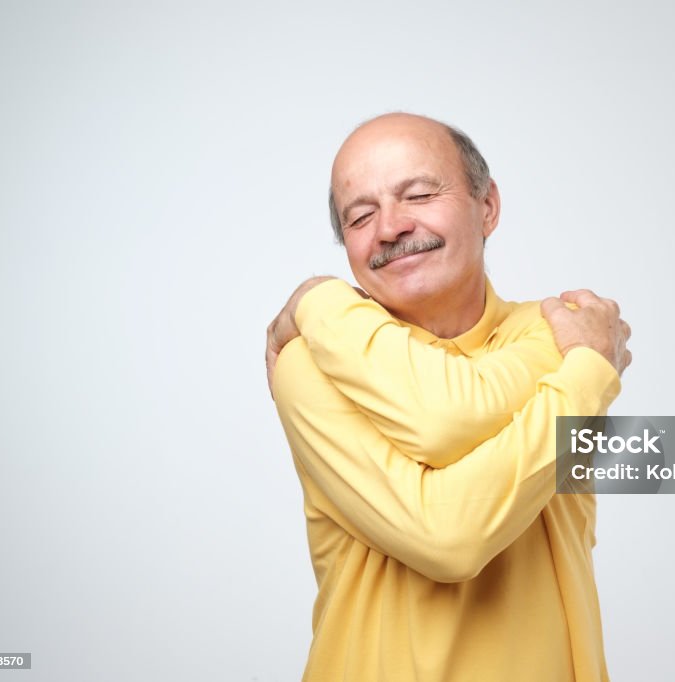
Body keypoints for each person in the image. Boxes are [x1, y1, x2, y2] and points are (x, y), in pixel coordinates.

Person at [265, 112, 632, 681]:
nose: (389, 227)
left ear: (486, 207)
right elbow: (449, 538)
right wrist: (584, 376)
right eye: (360, 216)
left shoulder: (558, 328)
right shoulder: (309, 363)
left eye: (418, 194)